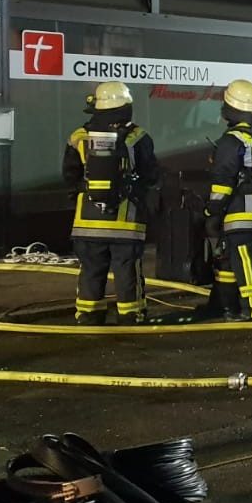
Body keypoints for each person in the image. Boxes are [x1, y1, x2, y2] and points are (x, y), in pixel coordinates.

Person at [63, 81, 160, 325]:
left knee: (91, 269)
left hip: (87, 223)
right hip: (126, 222)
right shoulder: (138, 137)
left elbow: (70, 177)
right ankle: (131, 315)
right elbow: (151, 176)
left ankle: (88, 315)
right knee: (126, 270)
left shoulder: (78, 137)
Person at [206, 79, 252, 321]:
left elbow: (223, 181)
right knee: (230, 259)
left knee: (247, 260)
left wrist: (212, 211)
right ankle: (228, 307)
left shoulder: (232, 139)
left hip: (242, 211)